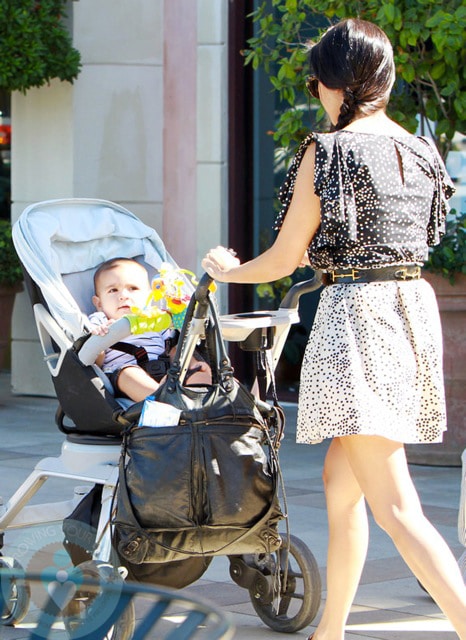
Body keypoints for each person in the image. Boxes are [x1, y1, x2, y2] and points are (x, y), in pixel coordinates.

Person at [202, 18, 466, 640]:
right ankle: (331, 633)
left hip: (361, 319)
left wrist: (227, 270)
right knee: (340, 486)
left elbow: (285, 258)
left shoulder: (330, 151)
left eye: (319, 79)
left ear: (334, 83)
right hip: (410, 310)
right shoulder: (421, 150)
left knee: (398, 508)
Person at [90, 257, 210, 402]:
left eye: (132, 288)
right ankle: (164, 401)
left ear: (149, 295)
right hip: (123, 375)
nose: (123, 296)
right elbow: (95, 362)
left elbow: (172, 349)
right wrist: (99, 341)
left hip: (164, 371)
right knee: (129, 374)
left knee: (199, 370)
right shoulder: (100, 320)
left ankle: (201, 404)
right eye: (113, 290)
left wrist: (191, 364)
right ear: (99, 303)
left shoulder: (156, 318)